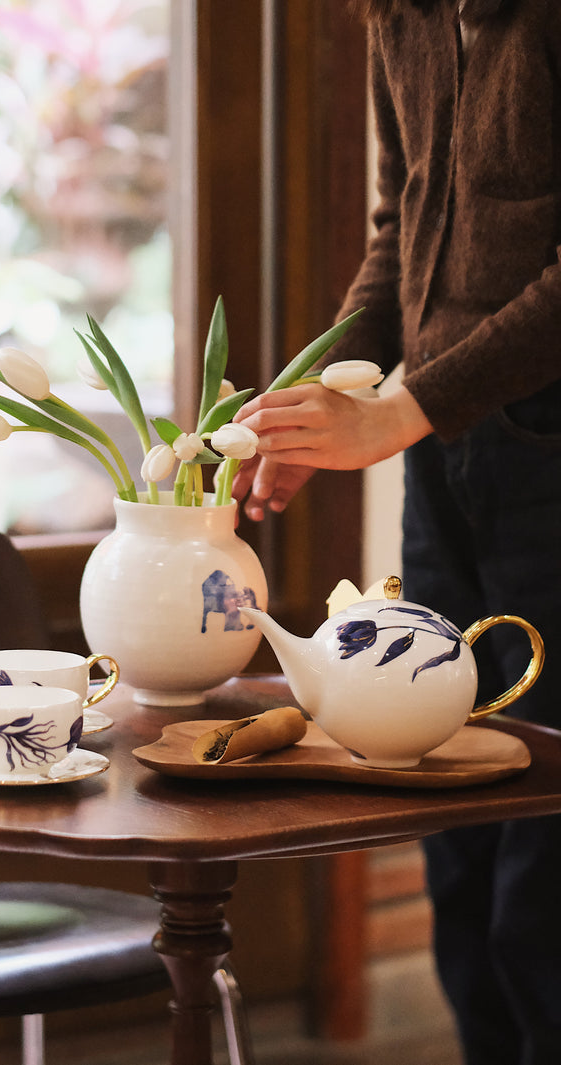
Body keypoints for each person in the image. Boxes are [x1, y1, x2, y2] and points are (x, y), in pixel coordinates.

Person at [232, 2, 561, 1063]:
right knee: (451, 840)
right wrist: (309, 401)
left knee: (539, 888)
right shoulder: (399, 15)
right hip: (447, 459)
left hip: (542, 459)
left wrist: (397, 412)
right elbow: (398, 231)